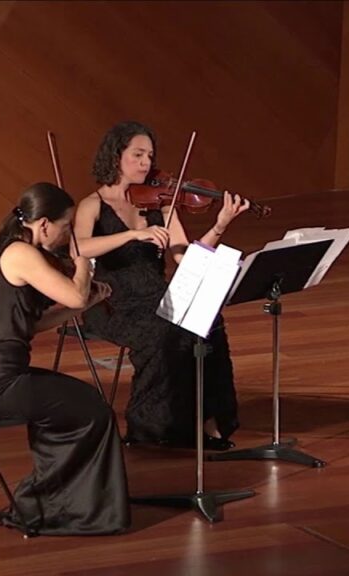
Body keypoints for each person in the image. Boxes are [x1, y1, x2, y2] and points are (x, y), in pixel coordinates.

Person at [0, 182, 128, 535]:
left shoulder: (14, 249)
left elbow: (32, 323)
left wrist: (87, 302)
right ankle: (54, 506)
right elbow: (75, 295)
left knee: (84, 406)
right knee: (93, 411)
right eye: (66, 227)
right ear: (45, 225)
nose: (68, 235)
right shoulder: (20, 253)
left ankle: (63, 503)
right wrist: (84, 263)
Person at [74, 121, 249, 451]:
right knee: (163, 332)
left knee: (208, 319)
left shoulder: (160, 203)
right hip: (111, 302)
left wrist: (220, 225)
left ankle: (207, 421)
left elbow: (185, 258)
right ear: (116, 156)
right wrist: (132, 234)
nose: (146, 163)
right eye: (137, 155)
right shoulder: (93, 204)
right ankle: (151, 428)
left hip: (157, 294)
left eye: (150, 156)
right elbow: (78, 247)